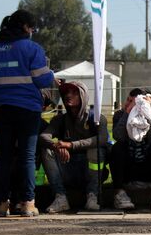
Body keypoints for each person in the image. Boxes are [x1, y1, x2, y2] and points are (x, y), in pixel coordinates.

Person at [0, 9, 54, 217]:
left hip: (1, 109)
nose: (32, 32)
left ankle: (1, 204)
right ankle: (28, 203)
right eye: (32, 28)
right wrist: (52, 73)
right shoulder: (32, 49)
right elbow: (43, 80)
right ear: (26, 28)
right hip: (27, 109)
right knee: (27, 156)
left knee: (3, 156)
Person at [39, 81, 108, 213]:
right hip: (68, 168)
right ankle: (60, 197)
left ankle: (93, 196)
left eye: (74, 93)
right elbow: (44, 136)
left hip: (90, 171)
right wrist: (56, 146)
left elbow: (103, 138)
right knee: (46, 149)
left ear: (83, 96)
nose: (68, 96)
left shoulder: (97, 118)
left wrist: (71, 145)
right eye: (66, 93)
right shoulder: (59, 119)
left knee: (96, 149)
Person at [110, 88, 151, 211]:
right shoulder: (120, 115)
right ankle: (119, 192)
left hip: (148, 168)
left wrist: (150, 118)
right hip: (128, 167)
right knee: (117, 148)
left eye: (132, 102)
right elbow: (118, 136)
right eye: (128, 100)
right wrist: (127, 114)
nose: (127, 104)